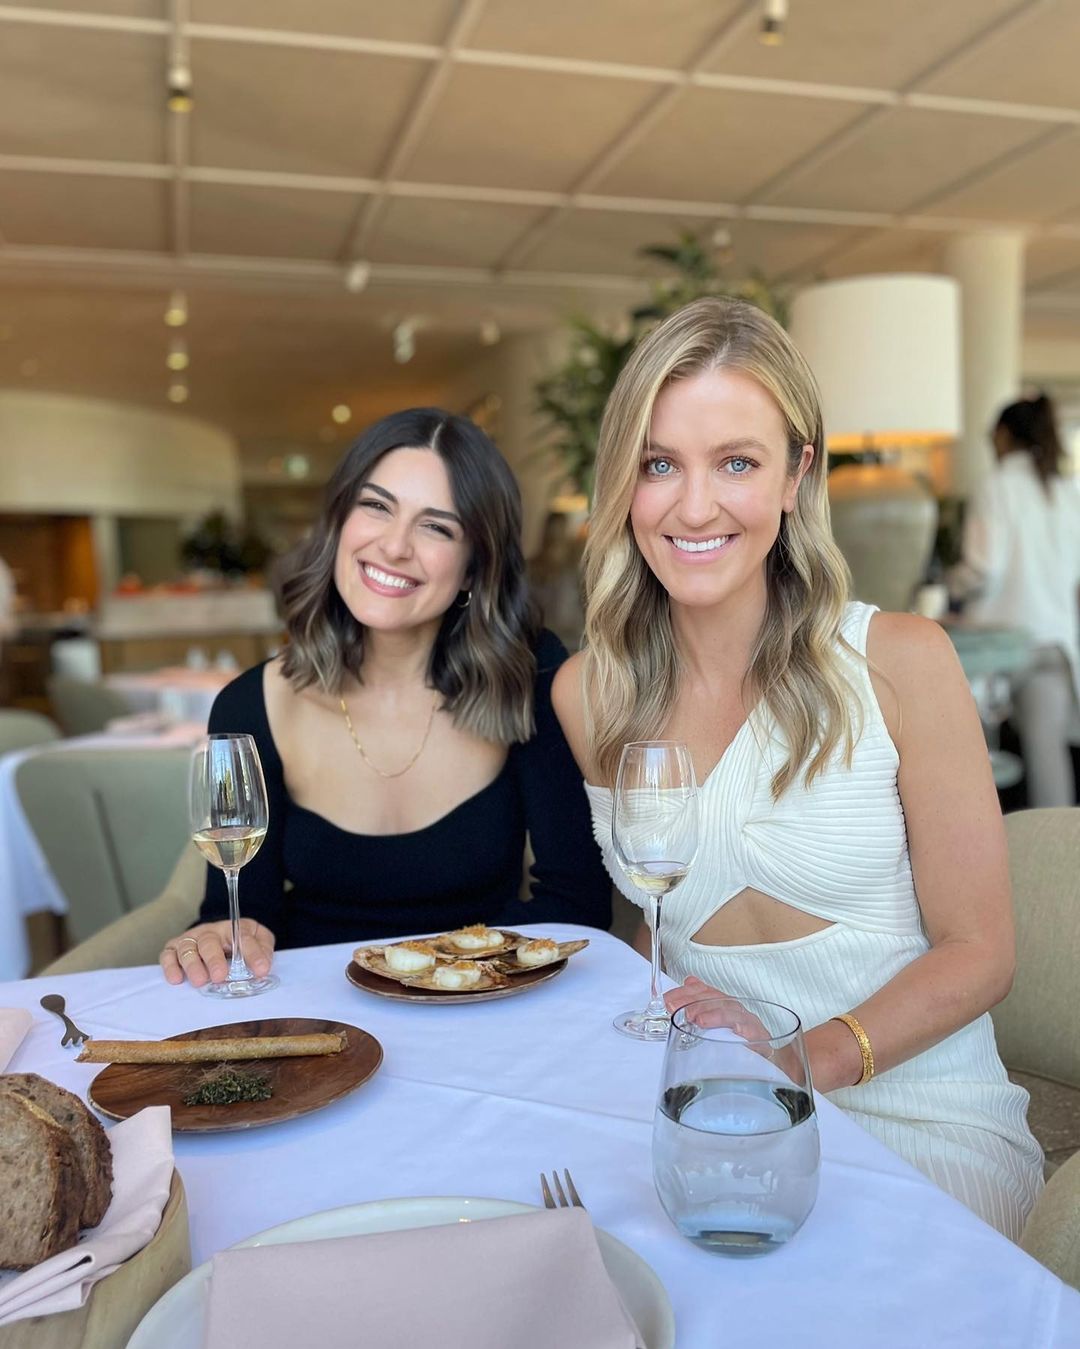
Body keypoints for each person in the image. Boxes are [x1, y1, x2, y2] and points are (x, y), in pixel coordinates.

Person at [552, 298, 1043, 1238]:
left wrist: (800, 1062)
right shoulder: (590, 695)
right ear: (623, 483)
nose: (695, 506)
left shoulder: (899, 661)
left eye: (737, 462)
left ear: (796, 474)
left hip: (922, 1123)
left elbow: (982, 952)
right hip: (718, 1122)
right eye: (659, 464)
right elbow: (667, 927)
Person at [161, 407, 611, 986]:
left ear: (474, 567)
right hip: (318, 1014)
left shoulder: (532, 674)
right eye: (376, 506)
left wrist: (436, 982)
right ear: (339, 521)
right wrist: (221, 936)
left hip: (482, 1008)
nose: (395, 546)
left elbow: (577, 904)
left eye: (437, 527)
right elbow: (244, 916)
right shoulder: (249, 706)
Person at [957, 393, 1080, 807]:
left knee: (973, 760)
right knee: (1049, 761)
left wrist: (953, 588)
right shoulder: (1066, 491)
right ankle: (1058, 847)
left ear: (1004, 435)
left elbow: (983, 568)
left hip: (998, 649)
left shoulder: (996, 486)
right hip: (1054, 644)